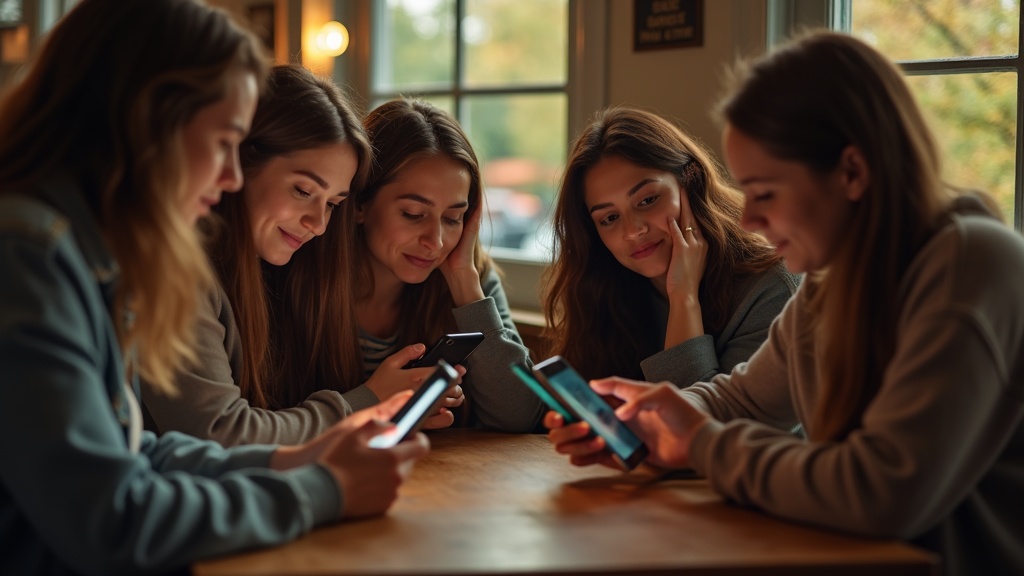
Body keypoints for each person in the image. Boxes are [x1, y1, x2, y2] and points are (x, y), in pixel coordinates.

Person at [546, 31, 1024, 576]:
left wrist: (700, 445)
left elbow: (883, 491)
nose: (748, 220)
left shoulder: (969, 267)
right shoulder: (834, 277)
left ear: (852, 172)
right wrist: (659, 419)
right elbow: (747, 399)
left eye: (766, 193)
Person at [0, 1, 427, 574]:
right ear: (146, 121)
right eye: (224, 141)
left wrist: (290, 460)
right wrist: (322, 490)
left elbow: (132, 451)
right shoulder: (26, 256)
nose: (230, 177)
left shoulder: (80, 253)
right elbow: (111, 518)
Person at [139, 64, 444, 446]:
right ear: (238, 165)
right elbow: (221, 434)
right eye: (303, 190)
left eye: (333, 203)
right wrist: (367, 403)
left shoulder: (270, 272)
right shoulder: (173, 273)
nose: (318, 224)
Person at [543, 106, 799, 384]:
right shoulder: (607, 289)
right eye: (610, 218)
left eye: (647, 200)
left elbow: (704, 425)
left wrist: (684, 298)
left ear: (691, 182)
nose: (633, 231)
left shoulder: (772, 289)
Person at [341, 98, 544, 432]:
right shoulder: (305, 280)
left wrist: (466, 284)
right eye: (413, 214)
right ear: (360, 203)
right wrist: (372, 402)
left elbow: (520, 415)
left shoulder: (468, 278)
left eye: (453, 218)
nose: (435, 241)